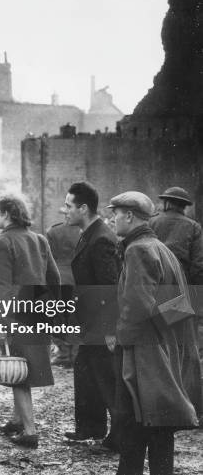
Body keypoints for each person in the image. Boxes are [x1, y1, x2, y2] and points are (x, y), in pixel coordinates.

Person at [107, 191, 202, 475]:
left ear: (129, 216)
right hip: (160, 354)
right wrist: (161, 332)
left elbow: (137, 306)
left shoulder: (138, 249)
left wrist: (121, 339)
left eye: (115, 214)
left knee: (133, 428)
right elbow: (184, 304)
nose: (112, 219)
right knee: (159, 431)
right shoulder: (162, 249)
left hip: (142, 358)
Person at [0, 194, 60, 449]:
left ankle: (30, 431)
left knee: (19, 371)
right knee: (25, 368)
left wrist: (2, 320)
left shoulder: (2, 242)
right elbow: (54, 279)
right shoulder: (39, 239)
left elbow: (2, 287)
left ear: (7, 214)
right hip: (39, 311)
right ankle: (16, 420)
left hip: (17, 315)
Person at [63, 182, 120, 451]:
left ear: (83, 208)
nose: (65, 211)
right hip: (91, 322)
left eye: (68, 206)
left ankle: (119, 439)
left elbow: (109, 287)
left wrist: (110, 329)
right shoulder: (90, 233)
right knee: (85, 371)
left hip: (102, 324)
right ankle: (90, 428)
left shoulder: (101, 239)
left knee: (106, 378)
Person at [150, 186, 203, 359]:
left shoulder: (152, 222)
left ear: (166, 203)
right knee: (182, 342)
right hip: (181, 289)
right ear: (184, 206)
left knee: (159, 341)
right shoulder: (193, 227)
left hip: (155, 287)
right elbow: (198, 265)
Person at [46, 215, 81, 367]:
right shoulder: (83, 231)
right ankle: (74, 353)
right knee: (76, 316)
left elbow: (48, 256)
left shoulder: (54, 231)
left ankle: (63, 353)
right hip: (77, 278)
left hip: (58, 278)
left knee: (57, 316)